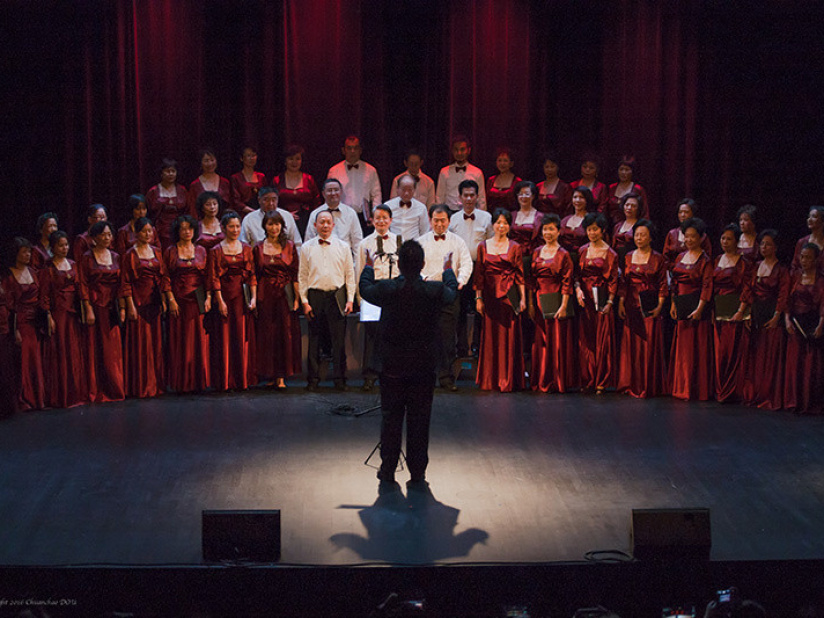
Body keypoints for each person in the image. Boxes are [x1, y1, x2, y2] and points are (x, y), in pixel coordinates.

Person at [359, 240, 458, 491]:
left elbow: (365, 289)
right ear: (423, 264)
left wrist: (369, 266)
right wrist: (447, 269)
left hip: (392, 366)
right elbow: (451, 292)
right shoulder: (433, 291)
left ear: (399, 265)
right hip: (423, 367)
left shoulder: (388, 288)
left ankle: (388, 469)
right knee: (420, 421)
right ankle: (417, 472)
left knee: (390, 419)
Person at [299, 210, 356, 391]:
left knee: (338, 341)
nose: (324, 225)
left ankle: (340, 379)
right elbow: (302, 276)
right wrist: (304, 301)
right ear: (315, 225)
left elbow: (350, 275)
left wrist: (350, 299)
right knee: (314, 340)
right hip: (315, 296)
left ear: (333, 225)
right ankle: (313, 380)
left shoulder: (343, 246)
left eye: (328, 222)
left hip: (336, 296)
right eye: (321, 222)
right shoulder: (307, 247)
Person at [419, 204, 473, 390]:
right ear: (430, 220)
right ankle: (426, 378)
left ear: (449, 221)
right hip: (427, 292)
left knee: (448, 337)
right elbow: (416, 265)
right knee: (426, 337)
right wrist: (423, 280)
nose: (440, 224)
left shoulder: (458, 242)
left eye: (443, 220)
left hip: (449, 292)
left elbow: (466, 263)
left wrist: (460, 281)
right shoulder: (421, 241)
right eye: (436, 220)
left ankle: (446, 378)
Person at [617, 220, 669, 398]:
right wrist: (621, 302)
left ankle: (647, 385)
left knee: (647, 347)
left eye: (643, 234)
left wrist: (660, 306)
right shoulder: (628, 256)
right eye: (637, 234)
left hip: (649, 307)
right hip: (631, 306)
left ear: (651, 237)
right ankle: (630, 383)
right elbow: (623, 283)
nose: (639, 238)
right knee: (632, 347)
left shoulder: (658, 258)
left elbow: (663, 284)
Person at [475, 209, 526, 392]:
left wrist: (523, 299)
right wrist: (478, 298)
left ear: (509, 226)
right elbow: (479, 276)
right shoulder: (483, 246)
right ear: (493, 225)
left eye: (505, 223)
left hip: (509, 296)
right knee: (490, 337)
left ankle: (507, 379)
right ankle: (490, 378)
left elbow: (520, 275)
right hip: (489, 296)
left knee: (508, 337)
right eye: (498, 222)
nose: (501, 226)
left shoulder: (515, 247)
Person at [207, 211, 257, 392]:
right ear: (223, 228)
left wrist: (253, 298)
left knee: (241, 337)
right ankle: (226, 380)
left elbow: (252, 276)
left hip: (241, 297)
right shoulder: (215, 250)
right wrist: (219, 301)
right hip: (225, 297)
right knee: (225, 337)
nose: (235, 230)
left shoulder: (246, 248)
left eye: (237, 226)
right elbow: (213, 278)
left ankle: (241, 379)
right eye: (231, 226)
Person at [77, 220, 125, 403]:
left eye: (109, 234)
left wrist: (121, 307)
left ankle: (115, 389)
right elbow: (83, 284)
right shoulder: (87, 258)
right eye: (103, 235)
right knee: (95, 349)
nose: (107, 238)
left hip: (111, 307)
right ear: (94, 238)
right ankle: (96, 390)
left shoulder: (116, 257)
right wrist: (88, 308)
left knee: (112, 351)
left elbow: (121, 285)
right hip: (96, 307)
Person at [120, 217, 169, 399]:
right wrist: (130, 305)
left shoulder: (157, 252)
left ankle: (156, 384)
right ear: (136, 234)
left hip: (154, 302)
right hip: (138, 303)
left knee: (155, 343)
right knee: (141, 344)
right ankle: (141, 386)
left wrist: (165, 299)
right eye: (144, 231)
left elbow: (163, 277)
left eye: (150, 231)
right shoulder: (130, 255)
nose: (148, 234)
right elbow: (125, 282)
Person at [39, 231, 88, 408]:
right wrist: (48, 316)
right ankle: (61, 395)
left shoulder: (74, 265)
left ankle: (75, 393)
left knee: (73, 351)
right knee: (59, 352)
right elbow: (44, 296)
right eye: (60, 245)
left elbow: (80, 288)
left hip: (72, 313)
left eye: (66, 245)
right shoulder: (48, 269)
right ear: (52, 248)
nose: (65, 248)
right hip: (58, 314)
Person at [530, 213, 578, 393]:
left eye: (551, 229)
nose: (548, 232)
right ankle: (541, 379)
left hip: (557, 300)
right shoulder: (536, 251)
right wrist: (531, 302)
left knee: (556, 340)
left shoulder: (564, 254)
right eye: (545, 229)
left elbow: (567, 282)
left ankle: (557, 380)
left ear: (558, 231)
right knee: (540, 340)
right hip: (539, 299)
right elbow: (532, 280)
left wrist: (564, 306)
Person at [253, 210, 301, 389]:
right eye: (270, 224)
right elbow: (255, 276)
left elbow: (295, 273)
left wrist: (297, 298)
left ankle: (282, 376)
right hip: (265, 294)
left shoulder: (289, 245)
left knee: (284, 334)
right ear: (264, 226)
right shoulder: (258, 247)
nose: (274, 228)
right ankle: (271, 374)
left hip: (285, 294)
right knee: (268, 335)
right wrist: (254, 298)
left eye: (277, 224)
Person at [742, 229, 789, 410]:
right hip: (756, 314)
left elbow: (783, 295)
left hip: (771, 316)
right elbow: (748, 291)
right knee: (756, 356)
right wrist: (747, 313)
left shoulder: (781, 269)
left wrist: (777, 316)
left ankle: (768, 394)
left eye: (768, 244)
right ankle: (755, 393)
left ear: (775, 247)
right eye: (762, 244)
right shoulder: (756, 266)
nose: (764, 247)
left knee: (769, 356)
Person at [356, 205, 401, 391]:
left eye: (385, 217)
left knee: (395, 336)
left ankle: (394, 373)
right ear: (372, 220)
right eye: (378, 218)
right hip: (373, 292)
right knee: (372, 337)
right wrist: (360, 299)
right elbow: (359, 270)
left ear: (390, 220)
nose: (381, 221)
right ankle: (370, 375)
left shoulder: (400, 241)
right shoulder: (364, 243)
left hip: (394, 293)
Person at [669, 217, 714, 401]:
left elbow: (707, 285)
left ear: (701, 238)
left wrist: (700, 308)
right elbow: (675, 283)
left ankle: (694, 389)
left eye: (692, 237)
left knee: (696, 348)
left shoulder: (705, 260)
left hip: (697, 307)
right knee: (683, 348)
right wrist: (673, 303)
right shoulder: (680, 257)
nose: (688, 240)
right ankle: (681, 387)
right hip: (681, 305)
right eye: (686, 237)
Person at [164, 215, 210, 394]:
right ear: (177, 231)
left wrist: (208, 298)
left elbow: (207, 276)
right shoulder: (171, 251)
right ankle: (181, 383)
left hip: (197, 301)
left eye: (189, 228)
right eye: (183, 228)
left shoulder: (201, 251)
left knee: (198, 340)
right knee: (180, 341)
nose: (187, 232)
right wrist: (170, 300)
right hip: (178, 301)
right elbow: (165, 276)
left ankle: (198, 382)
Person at [448, 180, 493, 358]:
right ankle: (460, 347)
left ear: (477, 197)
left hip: (479, 268)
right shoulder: (453, 219)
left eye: (471, 195)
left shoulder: (486, 217)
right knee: (458, 309)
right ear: (459, 198)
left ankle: (478, 347)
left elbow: (491, 243)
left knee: (480, 308)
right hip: (459, 270)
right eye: (465, 195)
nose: (468, 198)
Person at [575, 213, 619, 393]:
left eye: (595, 229)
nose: (592, 233)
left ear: (602, 230)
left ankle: (601, 379)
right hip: (585, 298)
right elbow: (577, 275)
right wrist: (577, 289)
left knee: (601, 341)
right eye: (589, 229)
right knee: (586, 340)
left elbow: (614, 280)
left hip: (601, 297)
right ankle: (587, 378)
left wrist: (610, 301)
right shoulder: (582, 250)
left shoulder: (610, 253)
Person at [3, 237, 45, 410]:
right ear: (16, 254)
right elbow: (9, 304)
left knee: (35, 359)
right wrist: (15, 330)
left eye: (29, 251)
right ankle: (23, 398)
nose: (28, 255)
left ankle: (37, 398)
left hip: (34, 321)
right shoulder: (8, 275)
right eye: (24, 252)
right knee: (23, 361)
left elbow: (41, 296)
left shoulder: (33, 272)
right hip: (19, 322)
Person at [712, 224, 752, 403]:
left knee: (732, 351)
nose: (725, 242)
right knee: (720, 352)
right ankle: (720, 389)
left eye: (729, 239)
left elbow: (747, 288)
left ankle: (731, 391)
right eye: (723, 238)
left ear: (736, 241)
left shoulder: (743, 263)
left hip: (735, 310)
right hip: (719, 309)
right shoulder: (717, 260)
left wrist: (741, 311)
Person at [783, 243, 824, 413]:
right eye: (802, 257)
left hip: (812, 325)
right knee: (795, 364)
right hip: (795, 324)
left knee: (811, 366)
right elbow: (787, 300)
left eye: (808, 257)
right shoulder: (795, 275)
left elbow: (823, 304)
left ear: (816, 259)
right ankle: (794, 401)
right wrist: (787, 320)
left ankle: (810, 403)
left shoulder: (821, 280)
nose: (804, 260)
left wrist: (821, 325)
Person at [327, 135, 382, 231]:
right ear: (343, 150)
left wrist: (375, 215)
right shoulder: (334, 171)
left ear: (360, 150)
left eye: (355, 148)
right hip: (341, 216)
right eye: (349, 148)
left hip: (364, 217)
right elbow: (328, 196)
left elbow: (376, 194)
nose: (352, 151)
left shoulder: (371, 170)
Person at [272, 145, 322, 238]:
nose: (294, 162)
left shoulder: (309, 179)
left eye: (297, 159)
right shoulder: (277, 180)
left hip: (307, 222)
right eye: (291, 159)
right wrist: (286, 215)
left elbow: (316, 201)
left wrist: (312, 218)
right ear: (285, 161)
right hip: (284, 222)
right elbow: (273, 202)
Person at [146, 158, 194, 251]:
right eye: (167, 171)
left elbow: (189, 211)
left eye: (173, 171)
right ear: (161, 173)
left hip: (180, 231)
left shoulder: (182, 190)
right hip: (160, 232)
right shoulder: (153, 192)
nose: (171, 174)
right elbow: (148, 214)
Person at [305, 178, 363, 250]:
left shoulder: (350, 213)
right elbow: (309, 240)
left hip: (345, 256)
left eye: (336, 190)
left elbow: (357, 240)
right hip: (322, 255)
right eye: (329, 190)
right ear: (323, 193)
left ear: (341, 192)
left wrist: (356, 261)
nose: (333, 193)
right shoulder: (315, 214)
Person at [435, 135, 487, 212]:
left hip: (470, 212)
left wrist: (481, 217)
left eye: (462, 149)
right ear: (452, 151)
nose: (459, 153)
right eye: (456, 150)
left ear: (468, 151)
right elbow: (440, 197)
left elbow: (481, 198)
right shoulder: (444, 172)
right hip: (449, 213)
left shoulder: (477, 172)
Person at [663, 199, 712, 266]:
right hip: (674, 272)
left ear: (693, 213)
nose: (683, 215)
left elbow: (707, 257)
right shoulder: (672, 234)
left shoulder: (702, 236)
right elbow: (665, 257)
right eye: (680, 212)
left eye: (686, 212)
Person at [187, 149, 231, 217]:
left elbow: (230, 206)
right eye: (206, 161)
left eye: (212, 160)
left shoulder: (225, 183)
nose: (210, 164)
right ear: (200, 163)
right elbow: (193, 210)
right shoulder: (195, 185)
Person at [384, 174, 429, 241]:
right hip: (393, 244)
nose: (406, 193)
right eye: (403, 189)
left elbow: (425, 231)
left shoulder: (421, 208)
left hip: (413, 245)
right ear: (397, 189)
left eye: (410, 190)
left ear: (414, 190)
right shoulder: (388, 206)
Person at [606, 156, 650, 224]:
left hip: (633, 225)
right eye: (621, 169)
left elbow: (644, 212)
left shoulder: (638, 189)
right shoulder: (612, 188)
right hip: (611, 225)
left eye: (627, 170)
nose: (623, 172)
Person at [560, 186, 594, 266]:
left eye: (581, 197)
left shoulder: (591, 220)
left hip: (584, 260)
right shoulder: (565, 220)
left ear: (587, 200)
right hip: (564, 260)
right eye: (575, 197)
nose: (577, 200)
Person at [229, 145, 266, 216]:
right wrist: (252, 212)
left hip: (261, 213)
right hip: (243, 214)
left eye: (253, 155)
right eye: (248, 156)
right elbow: (235, 201)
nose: (251, 158)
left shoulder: (261, 177)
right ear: (241, 158)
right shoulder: (236, 177)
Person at [611, 193, 643, 269]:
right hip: (617, 264)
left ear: (638, 208)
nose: (629, 208)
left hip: (634, 264)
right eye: (627, 205)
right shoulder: (618, 226)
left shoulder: (641, 226)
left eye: (633, 206)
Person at [485, 148, 522, 212]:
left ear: (511, 163)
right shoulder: (491, 180)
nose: (502, 163)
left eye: (505, 161)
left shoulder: (517, 181)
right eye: (499, 160)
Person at [535, 152, 571, 216]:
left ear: (557, 167)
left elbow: (568, 209)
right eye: (547, 167)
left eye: (552, 167)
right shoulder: (538, 186)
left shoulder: (565, 187)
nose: (549, 170)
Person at [791, 205, 824, 276]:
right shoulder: (802, 242)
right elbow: (794, 267)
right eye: (809, 216)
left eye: (814, 217)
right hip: (803, 282)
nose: (809, 219)